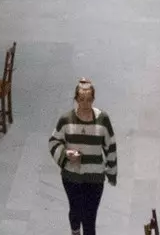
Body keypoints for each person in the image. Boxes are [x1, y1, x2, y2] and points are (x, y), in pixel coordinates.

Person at [48, 79, 118, 235]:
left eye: (89, 100)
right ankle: (74, 230)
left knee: (89, 218)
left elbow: (110, 145)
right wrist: (66, 154)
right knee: (75, 210)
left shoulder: (102, 120)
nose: (85, 104)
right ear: (76, 100)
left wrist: (111, 172)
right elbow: (53, 142)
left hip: (95, 178)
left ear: (93, 100)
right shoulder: (66, 120)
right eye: (81, 100)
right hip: (72, 176)